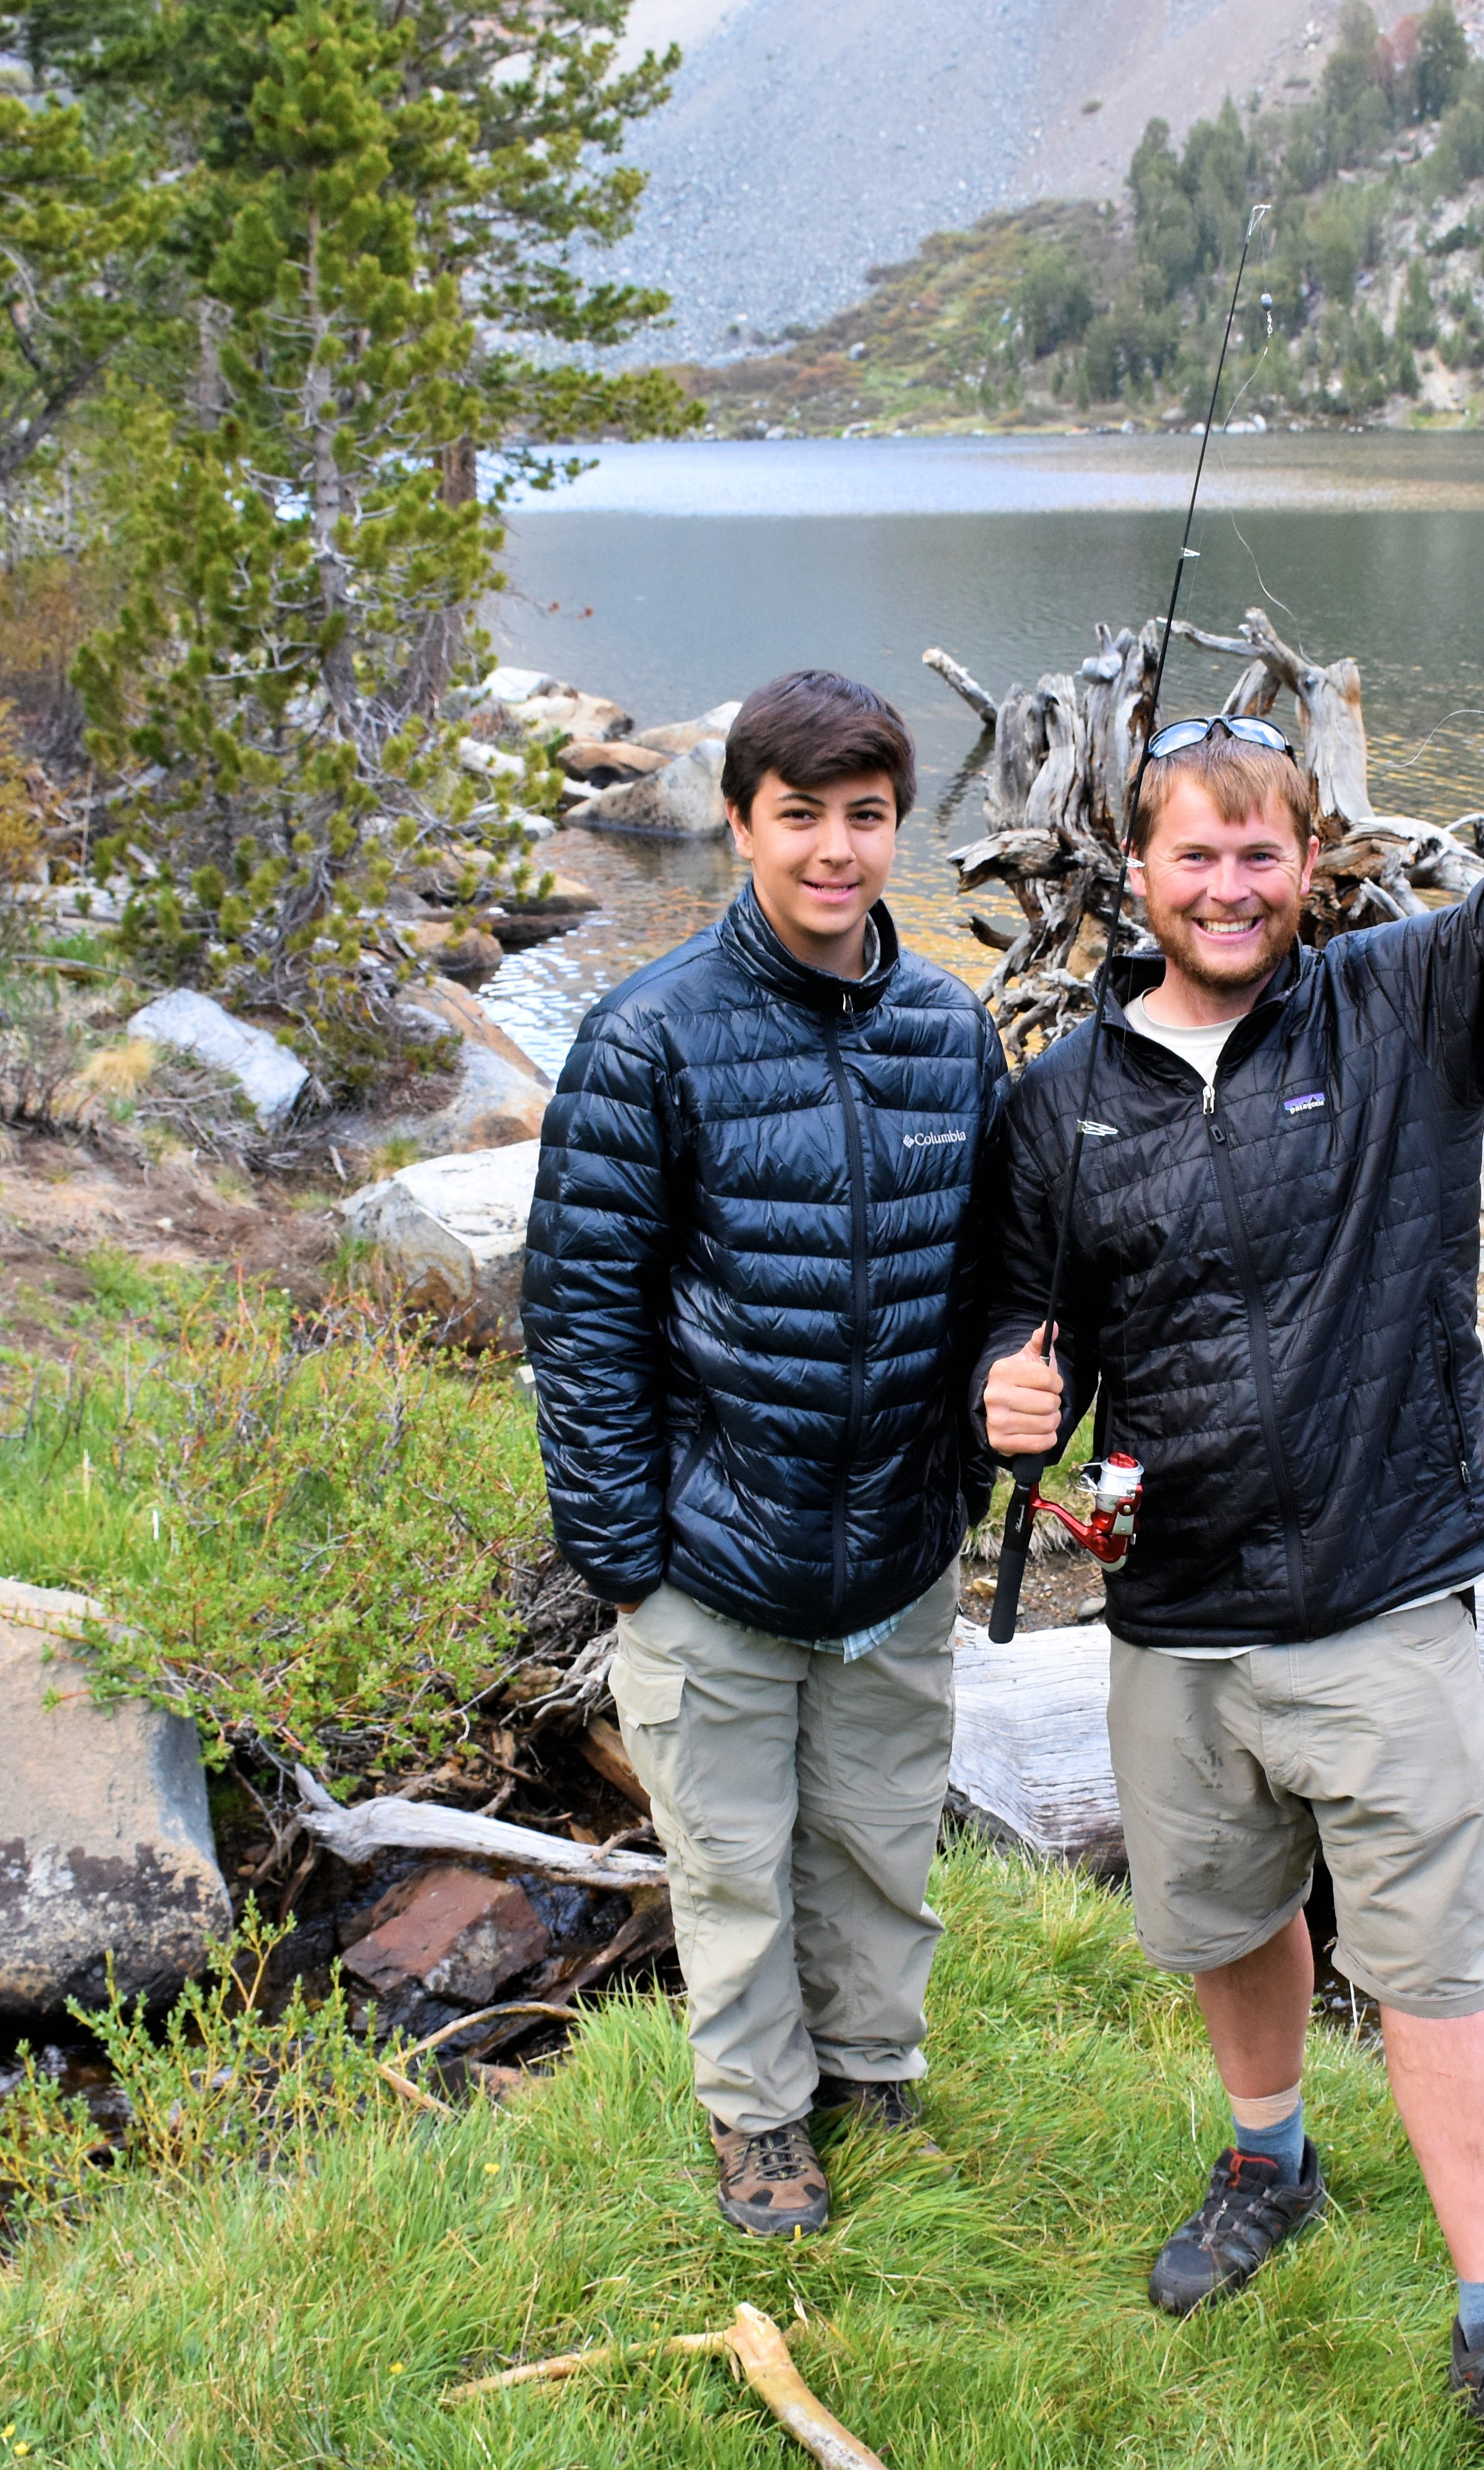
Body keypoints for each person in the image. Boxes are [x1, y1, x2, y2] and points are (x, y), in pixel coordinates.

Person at [977, 511, 1484, 2468]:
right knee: (1227, 1919)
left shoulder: (1407, 1010)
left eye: (1262, 855)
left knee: (1443, 1964)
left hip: (1381, 1596)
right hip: (1179, 1613)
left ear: (1313, 866)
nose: (1229, 888)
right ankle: (1270, 2160)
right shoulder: (1059, 1104)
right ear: (1135, 871)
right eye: (1194, 857)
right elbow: (1031, 1332)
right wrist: (1012, 1393)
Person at [523, 669, 1003, 2240]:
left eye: (866, 816)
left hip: (897, 1550)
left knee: (877, 1839)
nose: (834, 849)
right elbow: (580, 1308)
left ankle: (870, 2070)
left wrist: (972, 1462)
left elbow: (994, 1285)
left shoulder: (951, 1032)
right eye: (800, 815)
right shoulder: (647, 1035)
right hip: (712, 1551)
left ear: (898, 827)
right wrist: (627, 1551)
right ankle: (759, 2117)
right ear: (739, 823)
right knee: (732, 1861)